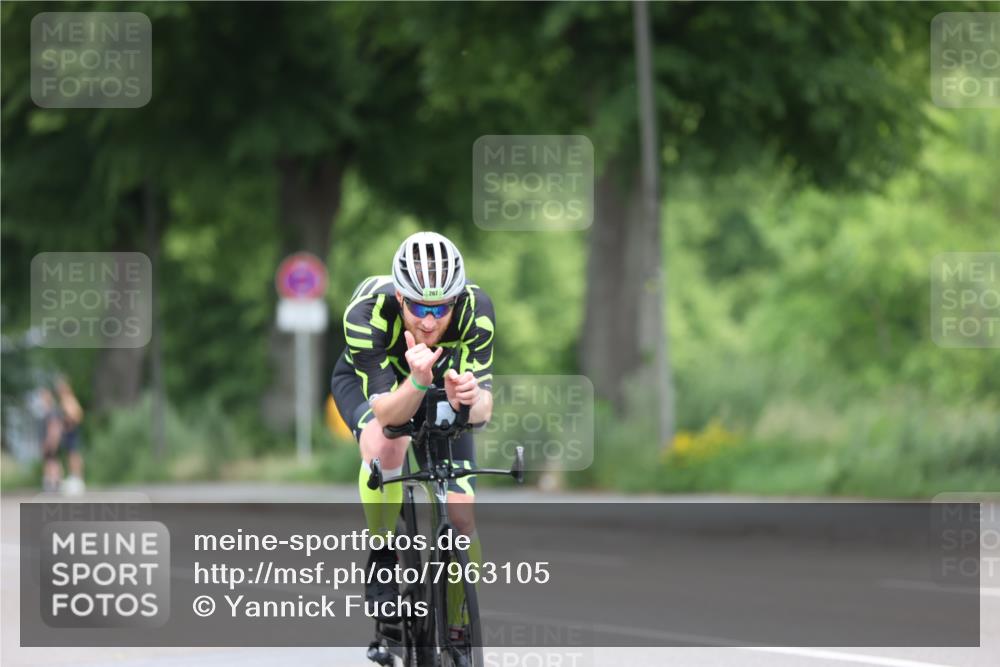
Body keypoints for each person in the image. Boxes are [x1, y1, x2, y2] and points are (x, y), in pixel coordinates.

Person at [330, 231, 495, 641]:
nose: (428, 320)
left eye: (440, 308)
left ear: (456, 300)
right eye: (419, 306)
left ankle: (459, 624)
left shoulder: (476, 309)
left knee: (461, 515)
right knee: (388, 444)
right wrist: (418, 383)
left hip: (439, 382)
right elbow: (387, 416)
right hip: (376, 385)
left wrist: (471, 399)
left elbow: (483, 413)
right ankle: (384, 551)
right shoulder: (366, 314)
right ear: (400, 297)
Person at [38, 376, 85, 495]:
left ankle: (77, 478)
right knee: (69, 456)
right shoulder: (63, 401)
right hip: (67, 433)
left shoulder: (69, 400)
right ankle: (72, 478)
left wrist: (68, 424)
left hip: (71, 433)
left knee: (73, 455)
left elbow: (77, 416)